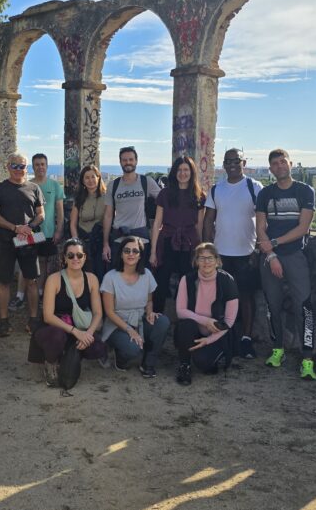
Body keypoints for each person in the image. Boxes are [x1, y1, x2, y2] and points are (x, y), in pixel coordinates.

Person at [255, 149, 316, 379]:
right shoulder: (265, 193)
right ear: (270, 169)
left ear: (290, 164)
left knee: (305, 308)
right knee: (273, 306)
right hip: (269, 257)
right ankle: (277, 349)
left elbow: (303, 227)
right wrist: (271, 255)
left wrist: (275, 243)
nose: (279, 166)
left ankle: (307, 358)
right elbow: (259, 226)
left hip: (295, 256)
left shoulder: (304, 190)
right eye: (275, 164)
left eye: (283, 162)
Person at [203, 148, 264, 360]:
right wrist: (207, 249)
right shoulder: (216, 189)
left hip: (246, 252)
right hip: (221, 253)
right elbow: (208, 219)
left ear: (243, 162)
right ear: (223, 164)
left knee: (246, 296)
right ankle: (223, 337)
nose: (231, 165)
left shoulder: (254, 187)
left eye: (236, 161)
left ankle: (246, 339)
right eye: (227, 161)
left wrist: (258, 247)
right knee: (220, 297)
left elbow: (262, 218)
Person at [30, 239, 105, 386]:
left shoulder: (92, 279)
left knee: (97, 347)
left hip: (79, 326)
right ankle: (50, 362)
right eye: (70, 255)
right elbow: (48, 316)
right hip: (54, 327)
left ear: (85, 257)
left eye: (79, 255)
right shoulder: (54, 279)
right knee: (56, 337)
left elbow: (98, 313)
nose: (75, 259)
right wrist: (76, 332)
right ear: (64, 258)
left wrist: (88, 334)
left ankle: (71, 356)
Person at [0, 153, 45, 337]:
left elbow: (40, 214)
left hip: (28, 239)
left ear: (26, 168)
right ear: (8, 166)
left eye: (22, 166)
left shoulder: (34, 188)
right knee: (3, 281)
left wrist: (29, 227)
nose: (18, 169)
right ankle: (4, 322)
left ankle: (33, 320)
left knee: (32, 280)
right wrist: (15, 228)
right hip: (5, 239)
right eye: (15, 165)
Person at [100, 236, 169, 377]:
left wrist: (150, 312)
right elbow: (109, 312)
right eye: (127, 250)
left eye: (135, 251)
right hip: (117, 324)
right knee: (132, 349)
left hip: (140, 319)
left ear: (140, 255)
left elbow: (149, 301)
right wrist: (130, 330)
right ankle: (120, 359)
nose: (131, 254)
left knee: (162, 322)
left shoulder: (147, 275)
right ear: (121, 253)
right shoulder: (110, 277)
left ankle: (148, 363)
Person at [173, 242, 238, 386]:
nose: (206, 262)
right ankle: (185, 366)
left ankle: (213, 356)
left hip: (217, 333)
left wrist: (208, 340)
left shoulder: (228, 281)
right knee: (186, 324)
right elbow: (180, 311)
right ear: (196, 261)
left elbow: (229, 321)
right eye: (201, 258)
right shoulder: (187, 279)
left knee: (203, 363)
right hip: (194, 330)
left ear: (217, 261)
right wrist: (205, 321)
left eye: (210, 258)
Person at [150, 156, 204, 314]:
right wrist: (153, 252)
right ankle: (157, 319)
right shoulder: (165, 194)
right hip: (167, 241)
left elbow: (199, 226)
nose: (182, 173)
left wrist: (200, 251)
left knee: (188, 283)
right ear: (174, 172)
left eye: (186, 169)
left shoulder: (199, 195)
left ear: (191, 172)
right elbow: (157, 224)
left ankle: (189, 320)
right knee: (161, 281)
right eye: (179, 170)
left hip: (189, 244)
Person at [102, 146, 160, 266]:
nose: (128, 162)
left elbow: (164, 201)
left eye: (131, 159)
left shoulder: (146, 182)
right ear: (120, 162)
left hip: (141, 239)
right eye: (124, 160)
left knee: (142, 277)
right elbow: (108, 215)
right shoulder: (113, 185)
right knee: (118, 276)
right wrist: (106, 243)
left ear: (136, 161)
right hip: (119, 239)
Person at [31, 153, 65, 290]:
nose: (40, 167)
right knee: (34, 263)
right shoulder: (28, 185)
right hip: (32, 232)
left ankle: (46, 292)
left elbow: (60, 211)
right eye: (37, 164)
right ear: (32, 167)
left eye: (43, 164)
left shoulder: (55, 185)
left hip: (49, 232)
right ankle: (31, 293)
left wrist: (59, 230)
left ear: (47, 166)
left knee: (48, 264)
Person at [69, 164, 108, 280]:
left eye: (93, 177)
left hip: (100, 240)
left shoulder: (107, 197)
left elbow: (110, 219)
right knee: (85, 274)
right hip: (83, 240)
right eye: (87, 177)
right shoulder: (79, 198)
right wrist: (76, 243)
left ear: (98, 177)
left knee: (101, 272)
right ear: (83, 181)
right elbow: (73, 223)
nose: (90, 180)